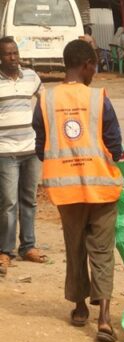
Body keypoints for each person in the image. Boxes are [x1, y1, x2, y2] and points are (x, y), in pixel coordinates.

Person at [32, 39, 124, 342]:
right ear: (86, 65)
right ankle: (105, 319)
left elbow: (41, 146)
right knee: (102, 251)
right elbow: (114, 144)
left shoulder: (46, 100)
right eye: (95, 66)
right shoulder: (98, 99)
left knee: (75, 248)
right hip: (101, 188)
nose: (95, 72)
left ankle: (80, 307)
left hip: (65, 191)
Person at [0, 36, 46, 276]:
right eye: (8, 54)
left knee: (29, 200)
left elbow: (45, 100)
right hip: (5, 152)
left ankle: (28, 246)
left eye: (15, 53)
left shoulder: (31, 77)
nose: (13, 58)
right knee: (8, 203)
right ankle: (5, 251)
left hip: (31, 150)